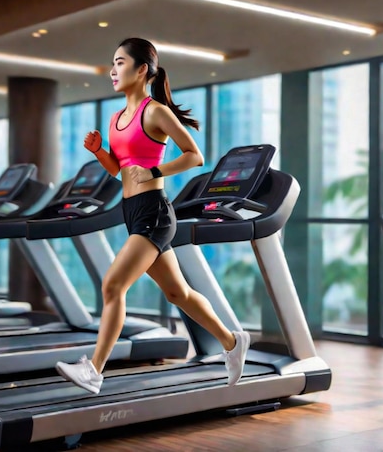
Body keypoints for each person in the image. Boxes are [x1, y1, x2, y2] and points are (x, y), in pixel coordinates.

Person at [56, 37, 250, 394]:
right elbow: (120, 171)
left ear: (141, 69)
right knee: (179, 294)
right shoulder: (115, 118)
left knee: (113, 285)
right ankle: (233, 342)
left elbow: (195, 156)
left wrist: (157, 172)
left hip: (155, 212)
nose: (112, 70)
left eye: (119, 62)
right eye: (112, 63)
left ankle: (94, 370)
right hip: (132, 210)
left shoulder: (155, 111)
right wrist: (100, 152)